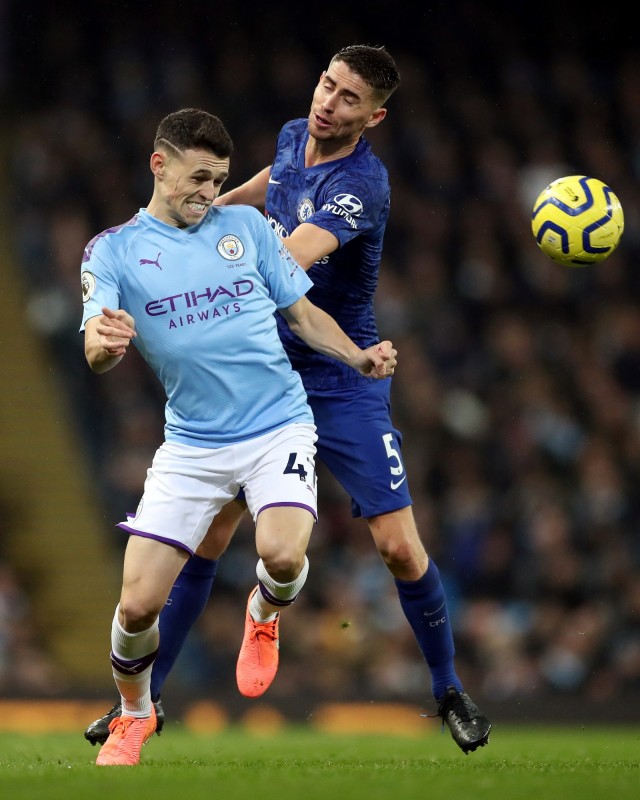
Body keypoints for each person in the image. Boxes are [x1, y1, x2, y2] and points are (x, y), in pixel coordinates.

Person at [85, 44, 491, 755]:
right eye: (327, 85)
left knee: (398, 547)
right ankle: (143, 706)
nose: (327, 103)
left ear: (375, 116)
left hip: (340, 371)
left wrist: (201, 244)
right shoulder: (291, 135)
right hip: (265, 370)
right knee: (206, 538)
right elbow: (272, 183)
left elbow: (288, 259)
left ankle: (448, 688)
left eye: (347, 99)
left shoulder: (362, 184)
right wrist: (205, 204)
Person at [80, 107, 396, 766]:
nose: (207, 192)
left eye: (218, 178)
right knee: (138, 607)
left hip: (276, 424)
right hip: (191, 447)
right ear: (158, 165)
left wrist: (357, 358)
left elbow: (304, 314)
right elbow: (95, 345)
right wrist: (105, 345)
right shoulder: (112, 250)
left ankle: (266, 610)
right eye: (197, 177)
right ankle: (135, 715)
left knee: (282, 559)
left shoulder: (247, 228)